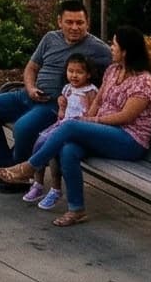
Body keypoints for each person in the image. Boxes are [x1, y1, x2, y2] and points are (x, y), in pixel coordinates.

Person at [0, 26, 151, 228]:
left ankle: (31, 167)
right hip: (104, 132)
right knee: (69, 149)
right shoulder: (113, 70)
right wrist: (88, 119)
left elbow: (126, 117)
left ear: (126, 51)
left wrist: (89, 122)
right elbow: (98, 101)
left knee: (71, 127)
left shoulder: (144, 82)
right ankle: (77, 209)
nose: (111, 48)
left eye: (114, 44)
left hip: (129, 140)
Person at [0, 0, 111, 174]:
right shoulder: (50, 38)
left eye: (80, 23)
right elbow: (32, 67)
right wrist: (30, 88)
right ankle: (5, 165)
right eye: (69, 22)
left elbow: (118, 69)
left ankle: (18, 173)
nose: (75, 27)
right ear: (59, 22)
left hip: (53, 105)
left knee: (23, 128)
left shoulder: (98, 49)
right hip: (27, 95)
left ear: (87, 23)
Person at [19, 53, 98, 213]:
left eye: (79, 72)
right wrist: (61, 107)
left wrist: (83, 118)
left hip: (76, 129)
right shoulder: (67, 89)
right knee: (39, 143)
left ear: (88, 74)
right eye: (71, 71)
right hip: (61, 125)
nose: (74, 75)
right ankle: (38, 183)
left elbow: (92, 112)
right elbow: (62, 114)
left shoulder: (90, 91)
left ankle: (55, 188)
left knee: (55, 153)